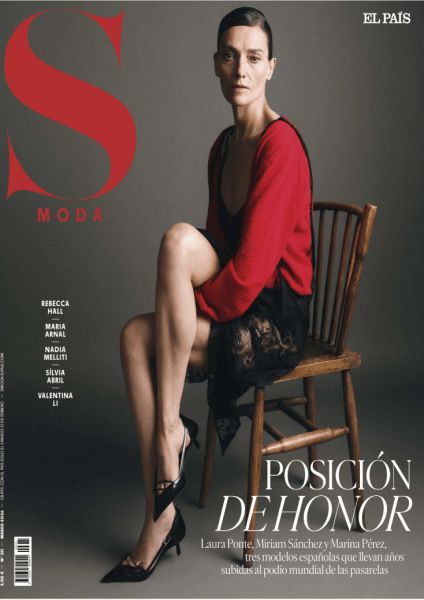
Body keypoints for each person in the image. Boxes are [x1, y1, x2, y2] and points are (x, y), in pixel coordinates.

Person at [101, 6, 314, 583]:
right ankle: (164, 499)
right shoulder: (223, 147)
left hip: (274, 317)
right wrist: (181, 308)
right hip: (236, 295)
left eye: (253, 57)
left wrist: (182, 313)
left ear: (271, 67)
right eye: (229, 56)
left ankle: (164, 464)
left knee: (175, 249)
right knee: (134, 334)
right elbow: (215, 248)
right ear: (216, 65)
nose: (240, 69)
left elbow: (248, 276)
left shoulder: (281, 147)